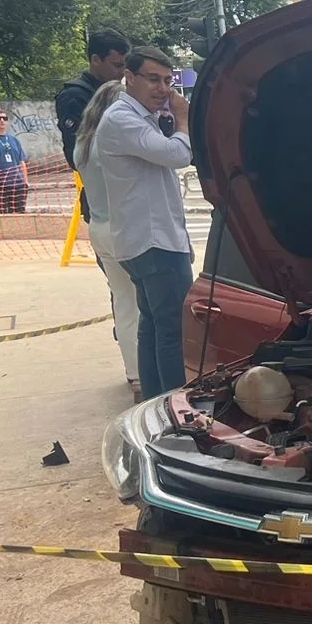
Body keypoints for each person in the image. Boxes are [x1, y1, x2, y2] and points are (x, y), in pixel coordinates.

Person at [95, 47, 194, 398]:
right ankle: (175, 408)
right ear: (130, 78)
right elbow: (179, 155)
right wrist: (183, 120)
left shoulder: (136, 116)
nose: (163, 89)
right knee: (172, 330)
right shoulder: (124, 119)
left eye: (168, 81)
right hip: (155, 241)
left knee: (152, 325)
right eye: (153, 79)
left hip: (145, 239)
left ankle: (156, 403)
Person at [73, 81, 143, 399]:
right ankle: (147, 371)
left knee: (123, 302)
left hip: (98, 227)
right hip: (123, 228)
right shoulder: (113, 142)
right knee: (146, 305)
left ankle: (134, 372)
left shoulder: (83, 145)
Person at [55, 29, 130, 220]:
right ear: (96, 60)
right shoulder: (75, 96)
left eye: (124, 66)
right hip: (102, 195)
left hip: (127, 191)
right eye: (116, 65)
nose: (121, 72)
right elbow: (77, 154)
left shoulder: (118, 92)